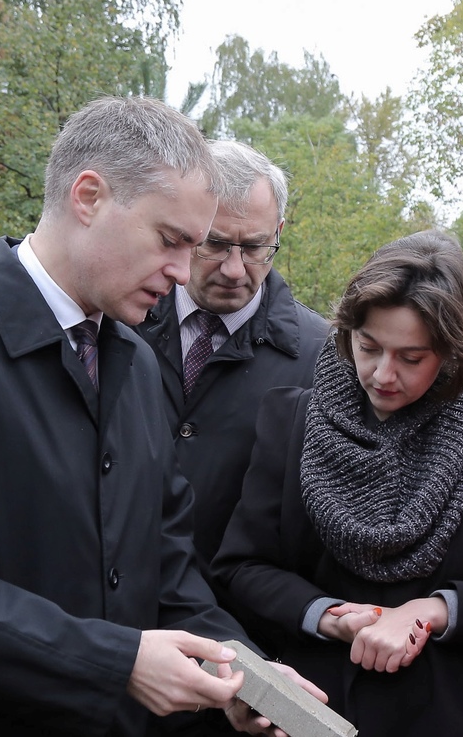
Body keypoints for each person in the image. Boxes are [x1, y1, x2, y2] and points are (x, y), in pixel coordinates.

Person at [0, 96, 319, 736]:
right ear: (88, 197)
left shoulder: (134, 361)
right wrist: (117, 662)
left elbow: (167, 567)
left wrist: (244, 673)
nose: (181, 274)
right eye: (170, 240)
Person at [212, 229, 463, 736]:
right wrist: (326, 614)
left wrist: (433, 610)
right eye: (369, 347)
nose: (383, 374)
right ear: (347, 334)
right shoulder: (291, 421)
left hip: (459, 715)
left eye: (411, 358)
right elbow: (243, 565)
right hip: (316, 711)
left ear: (450, 353)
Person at [134, 139, 329, 590]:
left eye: (257, 247)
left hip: (239, 629)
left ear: (279, 230)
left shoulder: (322, 357)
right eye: (216, 244)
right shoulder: (120, 323)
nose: (235, 269)